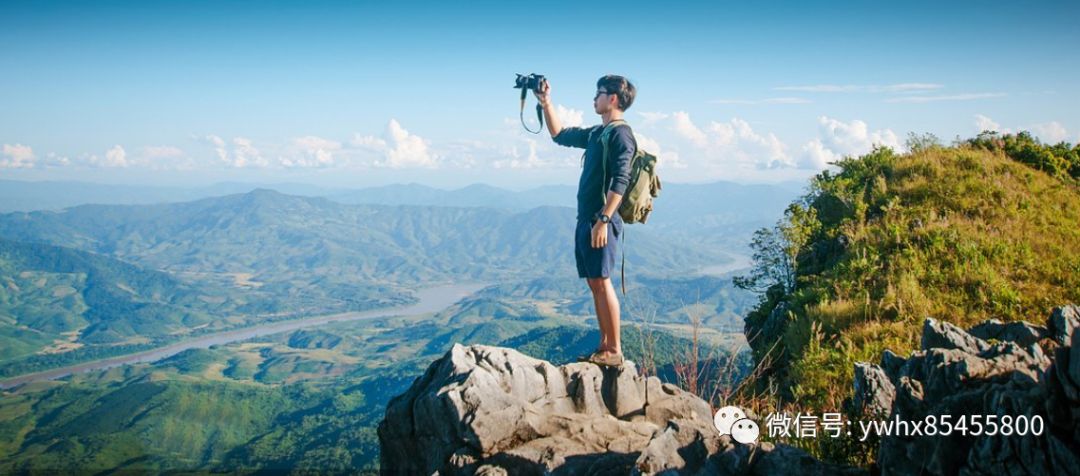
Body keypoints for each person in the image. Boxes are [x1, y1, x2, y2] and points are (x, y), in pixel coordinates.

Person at [535, 75, 637, 367]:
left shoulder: (621, 135)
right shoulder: (597, 133)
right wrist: (546, 102)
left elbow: (621, 180)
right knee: (595, 283)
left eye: (599, 93)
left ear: (613, 98)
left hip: (600, 221)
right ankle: (604, 346)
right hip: (587, 220)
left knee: (602, 282)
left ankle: (614, 349)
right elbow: (559, 134)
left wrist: (604, 219)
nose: (594, 98)